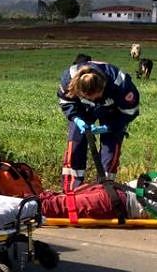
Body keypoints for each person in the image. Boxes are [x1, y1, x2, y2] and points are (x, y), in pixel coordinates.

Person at [57, 59, 139, 191]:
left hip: (113, 112)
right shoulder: (69, 79)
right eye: (87, 98)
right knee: (75, 142)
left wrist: (108, 127)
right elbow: (66, 102)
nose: (93, 100)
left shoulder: (121, 84)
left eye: (96, 97)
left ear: (103, 87)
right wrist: (76, 119)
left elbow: (130, 112)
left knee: (110, 149)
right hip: (82, 110)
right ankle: (71, 190)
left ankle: (103, 191)